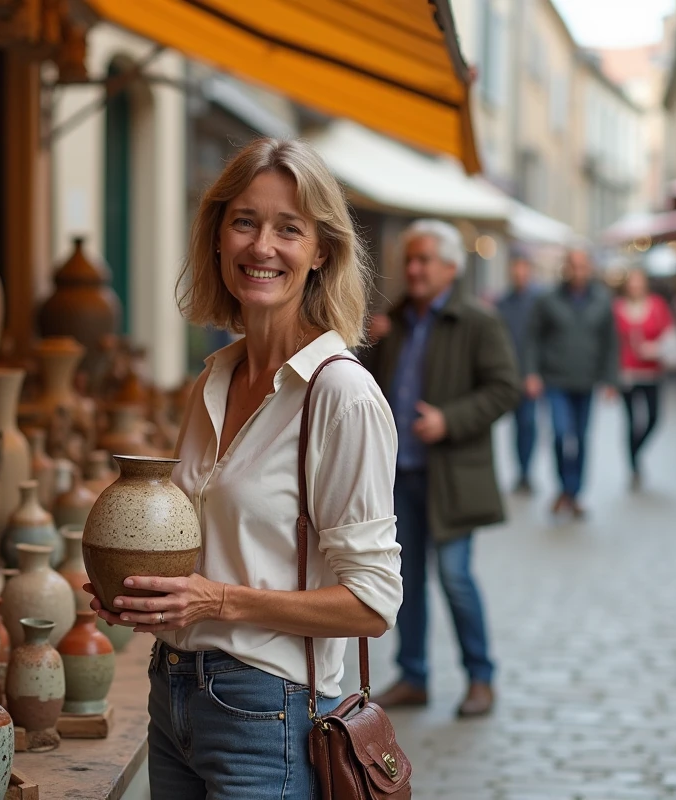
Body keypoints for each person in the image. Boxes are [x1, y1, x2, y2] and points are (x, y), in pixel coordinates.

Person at [88, 138, 403, 798]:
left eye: (289, 229)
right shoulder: (212, 380)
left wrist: (217, 600)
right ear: (217, 236)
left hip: (270, 711)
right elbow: (210, 556)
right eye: (244, 222)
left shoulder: (339, 394)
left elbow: (373, 604)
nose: (262, 247)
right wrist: (150, 596)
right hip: (171, 690)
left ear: (322, 251)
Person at [362, 219, 519, 718]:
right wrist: (369, 344)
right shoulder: (393, 321)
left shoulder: (477, 321)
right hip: (400, 475)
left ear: (451, 267)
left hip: (452, 476)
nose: (413, 269)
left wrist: (449, 420)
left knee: (455, 577)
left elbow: (505, 389)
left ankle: (481, 677)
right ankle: (414, 677)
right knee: (405, 581)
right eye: (409, 259)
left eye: (424, 260)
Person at [523, 249, 620, 517]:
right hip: (555, 379)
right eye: (573, 266)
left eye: (582, 266)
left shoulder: (602, 299)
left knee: (580, 438)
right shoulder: (548, 299)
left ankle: (574, 492)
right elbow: (533, 338)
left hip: (586, 380)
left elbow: (611, 342)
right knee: (559, 433)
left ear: (590, 268)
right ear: (565, 268)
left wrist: (611, 380)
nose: (578, 271)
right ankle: (563, 487)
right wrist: (531, 373)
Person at [613, 267, 675, 489]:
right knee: (631, 421)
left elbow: (670, 334)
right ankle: (634, 466)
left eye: (639, 283)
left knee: (654, 418)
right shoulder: (618, 309)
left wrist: (655, 348)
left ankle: (636, 450)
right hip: (627, 373)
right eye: (632, 283)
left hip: (652, 372)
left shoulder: (657, 305)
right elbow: (612, 342)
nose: (635, 287)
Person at [497, 246, 543, 492]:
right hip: (508, 374)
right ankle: (521, 470)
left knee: (527, 424)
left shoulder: (539, 301)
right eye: (515, 268)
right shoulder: (503, 303)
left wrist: (535, 372)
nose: (519, 273)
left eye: (523, 268)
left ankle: (526, 471)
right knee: (517, 425)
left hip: (530, 375)